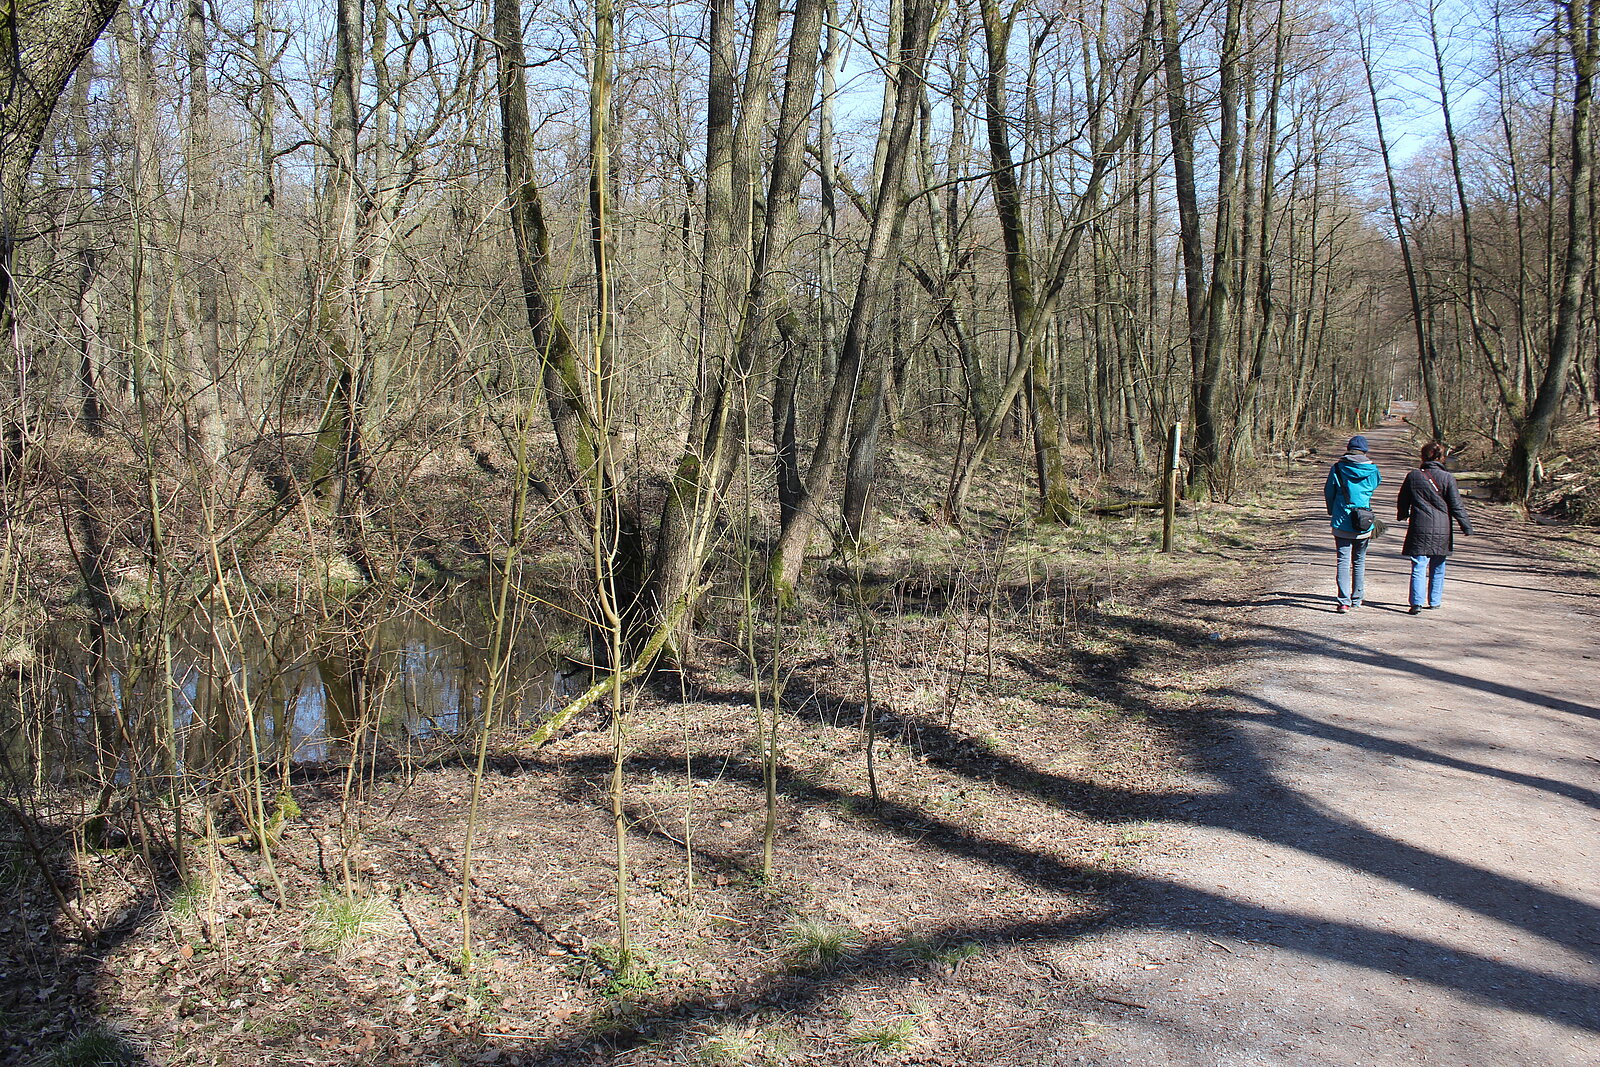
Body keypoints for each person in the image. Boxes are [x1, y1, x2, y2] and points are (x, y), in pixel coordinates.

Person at [1396, 441, 1472, 614]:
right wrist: (1466, 526)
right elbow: (1456, 505)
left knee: (1419, 565)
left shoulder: (1413, 476)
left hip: (1419, 526)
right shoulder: (1448, 478)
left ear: (1423, 456)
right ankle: (1435, 601)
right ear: (1441, 458)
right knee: (1438, 565)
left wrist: (1402, 514)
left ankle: (1416, 603)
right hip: (1442, 528)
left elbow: (1403, 499)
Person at [1324, 435, 1382, 613]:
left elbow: (1329, 491)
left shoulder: (1338, 468)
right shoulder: (1373, 470)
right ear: (1364, 451)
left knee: (1343, 560)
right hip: (1364, 522)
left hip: (1342, 521)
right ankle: (1357, 598)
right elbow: (1374, 486)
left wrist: (1332, 510)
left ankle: (1344, 602)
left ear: (1348, 449)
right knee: (1359, 560)